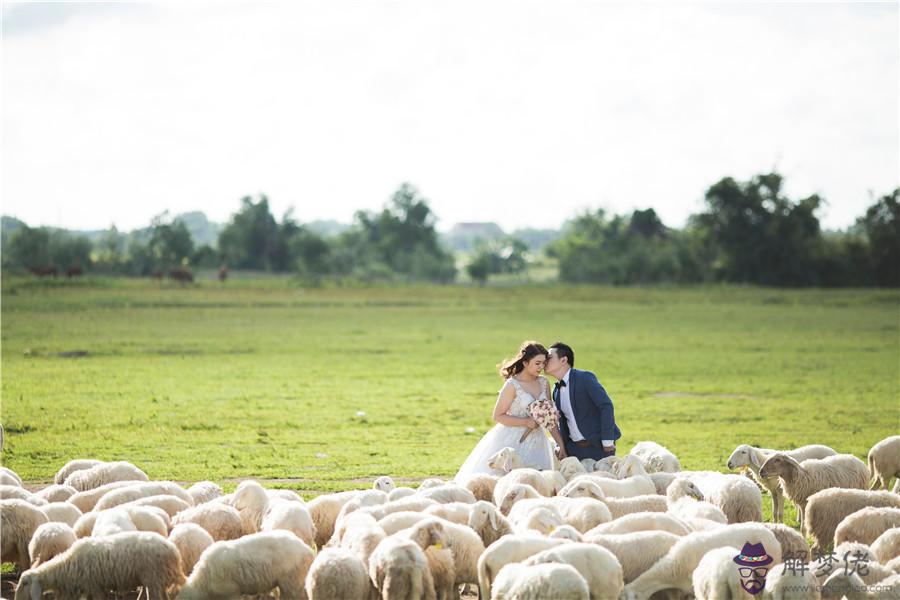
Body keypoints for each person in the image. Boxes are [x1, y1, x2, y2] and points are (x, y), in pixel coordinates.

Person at [454, 341, 566, 482]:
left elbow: (549, 418)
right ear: (525, 363)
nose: (541, 367)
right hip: (512, 439)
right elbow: (498, 416)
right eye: (537, 363)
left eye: (544, 363)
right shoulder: (512, 385)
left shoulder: (544, 383)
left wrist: (560, 444)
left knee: (538, 480)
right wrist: (525, 421)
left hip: (538, 441)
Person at [544, 341, 621, 461]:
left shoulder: (584, 378)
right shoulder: (556, 390)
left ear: (563, 360)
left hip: (599, 447)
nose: (545, 361)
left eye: (549, 357)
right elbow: (563, 422)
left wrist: (607, 441)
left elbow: (606, 406)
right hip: (574, 450)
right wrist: (562, 446)